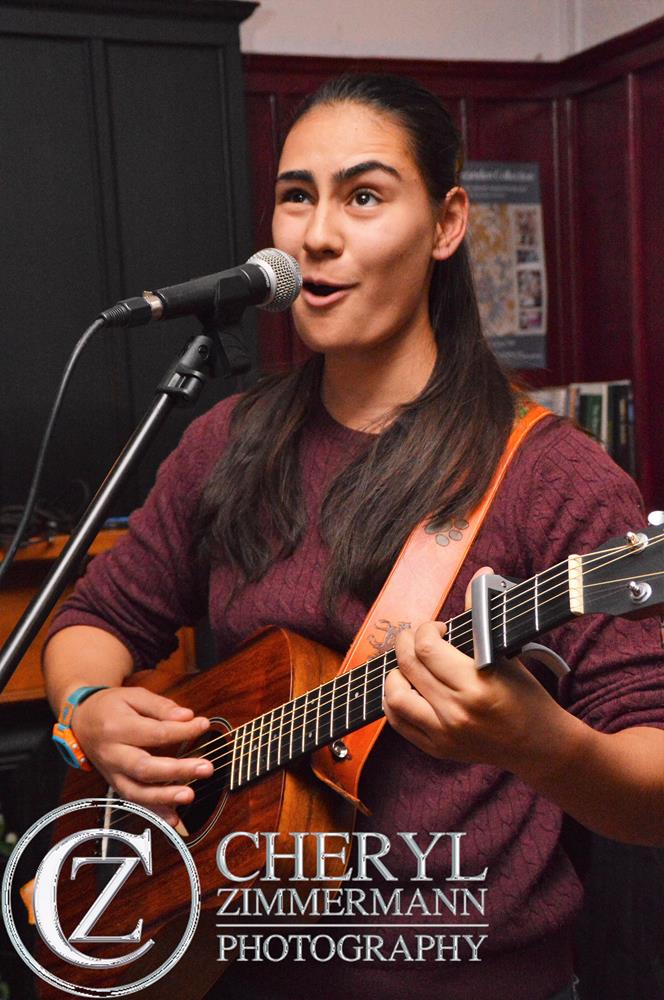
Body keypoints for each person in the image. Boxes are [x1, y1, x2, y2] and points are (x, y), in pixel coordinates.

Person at [43, 74, 664, 1000]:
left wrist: (544, 747)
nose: (318, 235)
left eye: (364, 196)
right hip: (226, 963)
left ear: (447, 225)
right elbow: (93, 617)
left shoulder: (551, 477)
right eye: (297, 196)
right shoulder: (225, 440)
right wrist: (90, 709)